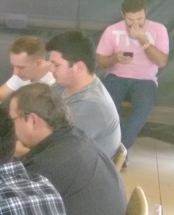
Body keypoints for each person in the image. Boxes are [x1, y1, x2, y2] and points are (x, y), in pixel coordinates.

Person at [10, 83, 127, 215]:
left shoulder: (49, 165)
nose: (11, 129)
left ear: (33, 121)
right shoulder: (74, 138)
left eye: (13, 120)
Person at [97, 0, 169, 154]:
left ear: (146, 13)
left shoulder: (158, 29)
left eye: (140, 18)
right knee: (108, 106)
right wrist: (115, 58)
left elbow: (162, 62)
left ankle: (118, 149)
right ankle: (114, 149)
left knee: (143, 108)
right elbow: (101, 61)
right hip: (116, 76)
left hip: (145, 79)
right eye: (130, 19)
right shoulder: (112, 30)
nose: (135, 23)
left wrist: (144, 40)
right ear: (123, 15)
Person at [46, 31, 121, 159]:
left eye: (56, 65)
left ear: (79, 67)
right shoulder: (63, 84)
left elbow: (57, 150)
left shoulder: (91, 104)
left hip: (71, 165)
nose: (51, 69)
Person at [0, 35, 54, 104]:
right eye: (14, 66)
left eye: (21, 67)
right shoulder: (22, 75)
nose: (15, 72)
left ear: (38, 63)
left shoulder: (54, 81)